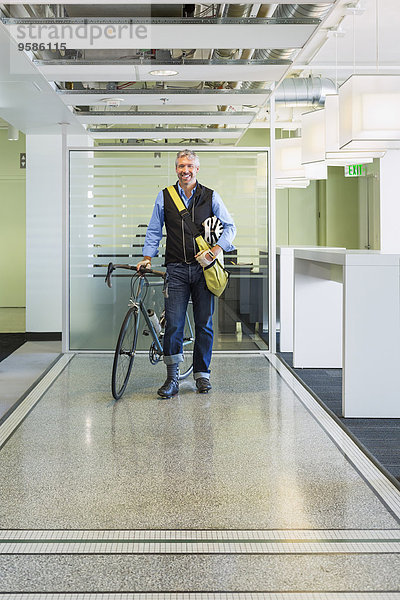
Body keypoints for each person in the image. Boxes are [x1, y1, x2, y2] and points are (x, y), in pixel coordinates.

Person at [136, 149, 236, 399]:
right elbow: (154, 229)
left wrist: (215, 250)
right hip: (176, 269)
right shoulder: (165, 196)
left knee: (204, 324)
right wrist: (147, 257)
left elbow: (230, 228)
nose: (185, 170)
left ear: (197, 169)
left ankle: (202, 375)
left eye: (190, 165)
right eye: (181, 166)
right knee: (174, 325)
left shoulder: (210, 196)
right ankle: (172, 379)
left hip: (204, 270)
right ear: (176, 169)